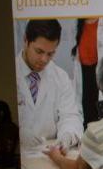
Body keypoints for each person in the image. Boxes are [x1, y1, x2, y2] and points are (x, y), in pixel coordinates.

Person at [15, 18, 83, 154]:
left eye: (50, 53)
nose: (44, 60)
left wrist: (67, 136)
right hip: (18, 158)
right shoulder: (9, 73)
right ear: (26, 41)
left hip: (49, 154)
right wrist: (18, 132)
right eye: (39, 51)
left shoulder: (60, 77)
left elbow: (70, 116)